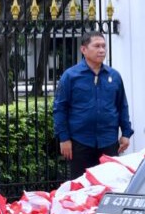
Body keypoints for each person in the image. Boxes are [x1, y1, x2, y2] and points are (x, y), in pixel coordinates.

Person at [53, 31, 134, 180]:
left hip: (108, 141)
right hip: (80, 143)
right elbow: (60, 109)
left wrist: (126, 134)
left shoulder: (114, 76)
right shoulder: (71, 76)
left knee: (109, 185)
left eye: (104, 46)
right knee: (81, 188)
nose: (102, 50)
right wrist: (64, 139)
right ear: (83, 49)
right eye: (97, 46)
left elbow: (122, 105)